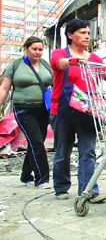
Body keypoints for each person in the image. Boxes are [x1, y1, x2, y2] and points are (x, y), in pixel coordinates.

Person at [50, 19, 106, 202]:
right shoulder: (61, 53)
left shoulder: (95, 58)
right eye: (82, 32)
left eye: (88, 33)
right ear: (70, 35)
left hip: (88, 112)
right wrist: (71, 61)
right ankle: (61, 187)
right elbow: (58, 63)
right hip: (63, 110)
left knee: (88, 151)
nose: (86, 36)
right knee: (62, 151)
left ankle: (88, 190)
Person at [0, 36, 52, 189]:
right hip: (23, 109)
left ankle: (25, 175)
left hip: (43, 109)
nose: (37, 52)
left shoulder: (44, 64)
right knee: (36, 141)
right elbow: (4, 88)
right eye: (34, 49)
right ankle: (42, 179)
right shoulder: (16, 65)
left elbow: (54, 84)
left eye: (40, 49)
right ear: (26, 49)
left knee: (36, 142)